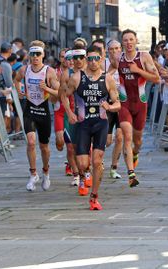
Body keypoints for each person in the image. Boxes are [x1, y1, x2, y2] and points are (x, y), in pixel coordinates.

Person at [65, 45, 120, 210]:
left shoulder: (107, 79)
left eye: (97, 58)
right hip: (83, 124)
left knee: (97, 161)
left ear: (102, 59)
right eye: (90, 59)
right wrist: (69, 112)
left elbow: (117, 103)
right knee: (83, 163)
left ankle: (94, 196)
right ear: (86, 60)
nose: (93, 62)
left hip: (100, 123)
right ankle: (83, 175)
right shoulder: (77, 77)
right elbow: (64, 95)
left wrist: (110, 107)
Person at [110, 29, 160, 187]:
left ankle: (136, 153)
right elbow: (106, 74)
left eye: (131, 39)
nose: (128, 43)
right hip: (124, 103)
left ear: (136, 41)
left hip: (140, 104)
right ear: (122, 43)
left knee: (137, 141)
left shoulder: (144, 56)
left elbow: (157, 79)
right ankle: (131, 174)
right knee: (127, 136)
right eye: (125, 40)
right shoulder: (118, 58)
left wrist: (138, 70)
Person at [19, 40, 60, 191]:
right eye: (32, 54)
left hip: (43, 111)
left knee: (44, 146)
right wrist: (20, 91)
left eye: (38, 54)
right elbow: (16, 80)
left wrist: (47, 89)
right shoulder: (24, 70)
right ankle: (33, 174)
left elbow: (59, 92)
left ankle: (46, 172)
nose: (35, 57)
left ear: (43, 55)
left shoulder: (49, 71)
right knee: (31, 142)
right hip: (30, 110)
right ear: (29, 56)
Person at [59, 46, 87, 187]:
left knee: (86, 148)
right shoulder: (66, 74)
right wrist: (69, 112)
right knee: (71, 147)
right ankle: (76, 175)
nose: (74, 61)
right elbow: (62, 95)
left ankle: (86, 171)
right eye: (70, 58)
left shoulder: (91, 72)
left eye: (78, 57)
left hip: (88, 114)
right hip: (71, 114)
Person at [106, 40, 123, 179]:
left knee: (120, 136)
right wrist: (112, 69)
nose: (114, 51)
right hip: (108, 104)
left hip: (122, 103)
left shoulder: (126, 62)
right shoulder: (103, 64)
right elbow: (100, 80)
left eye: (117, 48)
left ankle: (114, 167)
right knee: (107, 141)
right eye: (111, 49)